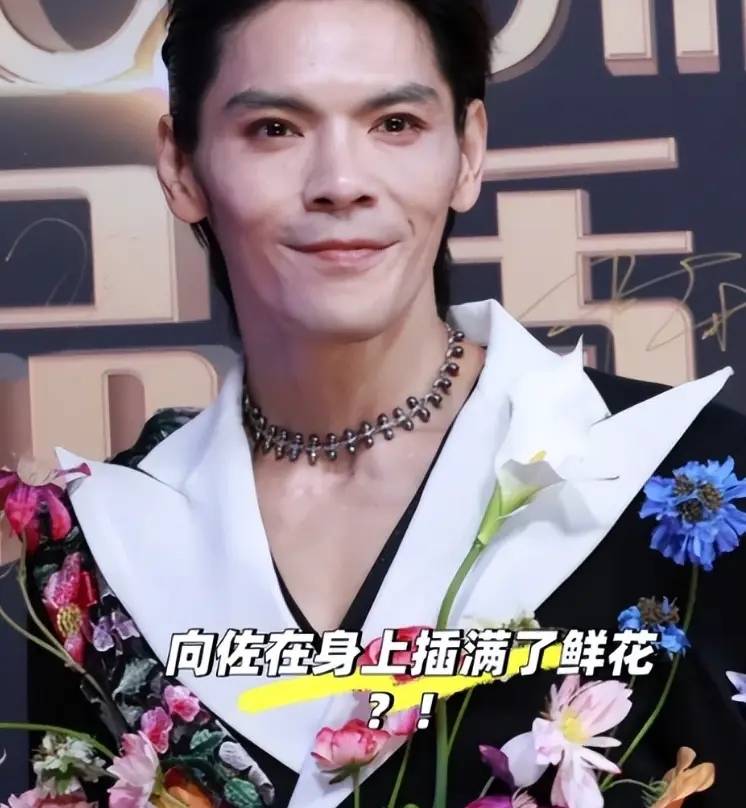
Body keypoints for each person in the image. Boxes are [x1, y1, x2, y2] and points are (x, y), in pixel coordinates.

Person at [19, 1, 746, 806]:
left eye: (396, 124)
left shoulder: (683, 488)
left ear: (467, 152)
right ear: (182, 165)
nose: (341, 183)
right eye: (274, 129)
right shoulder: (94, 564)